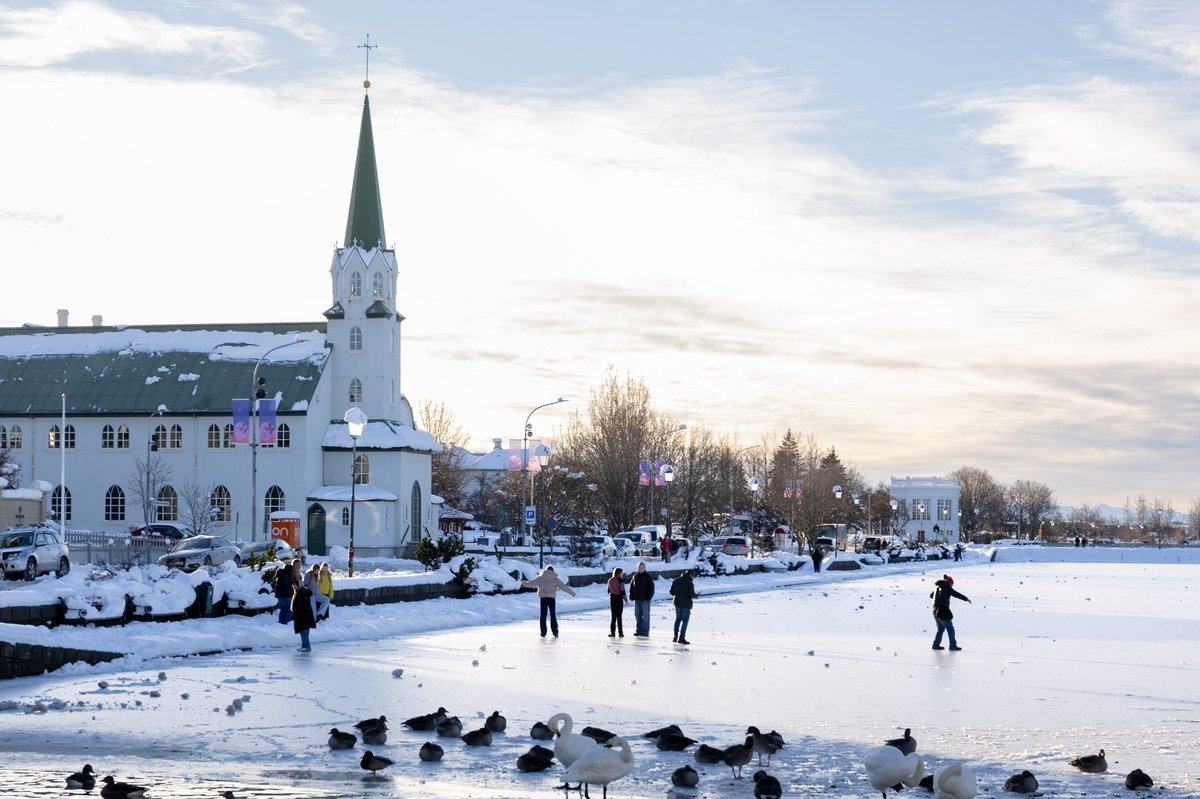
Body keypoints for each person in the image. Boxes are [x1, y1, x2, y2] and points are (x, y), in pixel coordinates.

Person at [521, 565, 577, 638]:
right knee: (553, 615)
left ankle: (543, 633)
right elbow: (563, 586)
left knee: (543, 616)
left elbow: (531, 583)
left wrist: (523, 583)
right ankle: (555, 632)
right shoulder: (555, 579)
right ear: (553, 571)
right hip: (551, 598)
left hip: (543, 598)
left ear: (546, 570)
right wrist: (572, 593)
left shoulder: (540, 578)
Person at [930, 573, 971, 651]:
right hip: (942, 610)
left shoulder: (936, 587)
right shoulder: (946, 586)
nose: (952, 587)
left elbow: (931, 596)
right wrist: (965, 598)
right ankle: (953, 645)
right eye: (952, 585)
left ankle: (935, 644)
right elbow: (955, 594)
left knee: (941, 628)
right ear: (950, 583)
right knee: (950, 628)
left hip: (934, 609)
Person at [669, 568, 698, 645]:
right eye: (693, 576)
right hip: (686, 604)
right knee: (685, 621)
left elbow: (671, 592)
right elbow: (692, 594)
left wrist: (677, 594)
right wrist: (696, 595)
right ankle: (682, 637)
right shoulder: (689, 583)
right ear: (690, 575)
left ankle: (675, 636)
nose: (693, 577)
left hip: (677, 603)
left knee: (678, 619)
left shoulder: (676, 580)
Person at [292, 567, 316, 651]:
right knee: (305, 632)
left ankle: (306, 646)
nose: (294, 587)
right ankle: (305, 645)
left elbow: (299, 606)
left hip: (303, 617)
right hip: (305, 617)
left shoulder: (301, 593)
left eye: (295, 585)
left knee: (304, 632)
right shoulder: (302, 592)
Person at [628, 561, 655, 637]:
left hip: (645, 600)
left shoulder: (648, 577)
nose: (641, 569)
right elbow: (632, 588)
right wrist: (631, 595)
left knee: (645, 616)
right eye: (640, 567)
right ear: (638, 568)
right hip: (637, 600)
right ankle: (638, 631)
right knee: (637, 615)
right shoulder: (635, 577)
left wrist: (649, 597)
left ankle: (645, 632)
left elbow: (652, 589)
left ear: (644, 568)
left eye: (642, 567)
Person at [606, 567, 626, 637]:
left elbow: (608, 590)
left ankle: (612, 633)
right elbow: (622, 591)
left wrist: (611, 594)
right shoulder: (620, 580)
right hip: (619, 599)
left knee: (613, 617)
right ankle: (620, 633)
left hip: (612, 599)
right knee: (619, 617)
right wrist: (625, 599)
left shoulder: (610, 580)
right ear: (619, 573)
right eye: (621, 573)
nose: (622, 574)